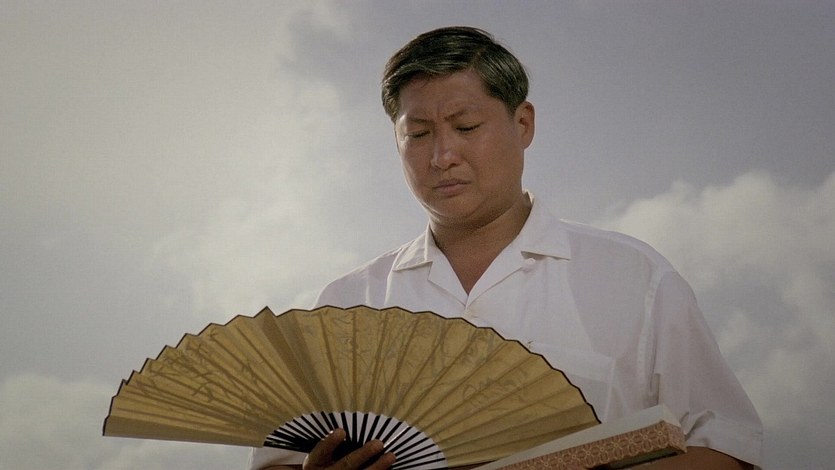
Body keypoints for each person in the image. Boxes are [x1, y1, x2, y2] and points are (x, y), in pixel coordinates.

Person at [250, 26, 763, 470]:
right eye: (419, 134)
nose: (442, 156)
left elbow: (729, 447)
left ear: (523, 124)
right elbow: (279, 461)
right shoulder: (345, 305)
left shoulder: (634, 278)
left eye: (466, 127)